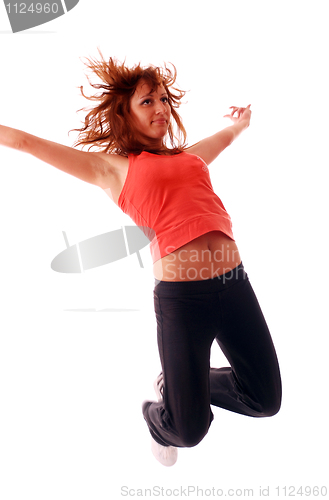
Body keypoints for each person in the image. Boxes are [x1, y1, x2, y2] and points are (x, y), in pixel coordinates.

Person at [0, 54, 282, 467]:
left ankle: (181, 384)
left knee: (264, 400)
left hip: (234, 285)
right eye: (147, 102)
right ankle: (158, 415)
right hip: (183, 301)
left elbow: (225, 137)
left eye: (163, 100)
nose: (161, 108)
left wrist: (241, 124)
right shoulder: (112, 169)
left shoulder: (190, 157)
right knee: (188, 431)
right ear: (125, 115)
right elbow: (25, 143)